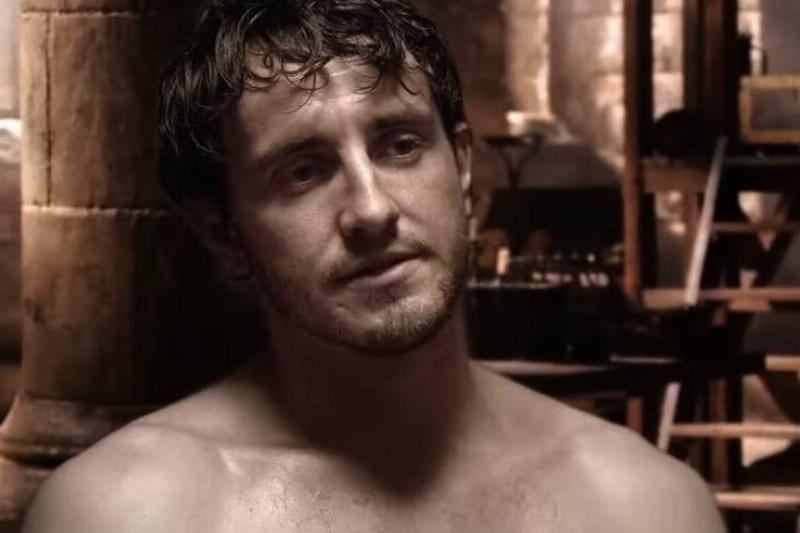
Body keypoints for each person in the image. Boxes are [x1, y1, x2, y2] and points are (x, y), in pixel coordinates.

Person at [22, 1, 725, 531]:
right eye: (303, 171)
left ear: (464, 168)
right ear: (224, 231)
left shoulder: (645, 507)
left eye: (400, 145)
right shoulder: (126, 513)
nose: (371, 209)